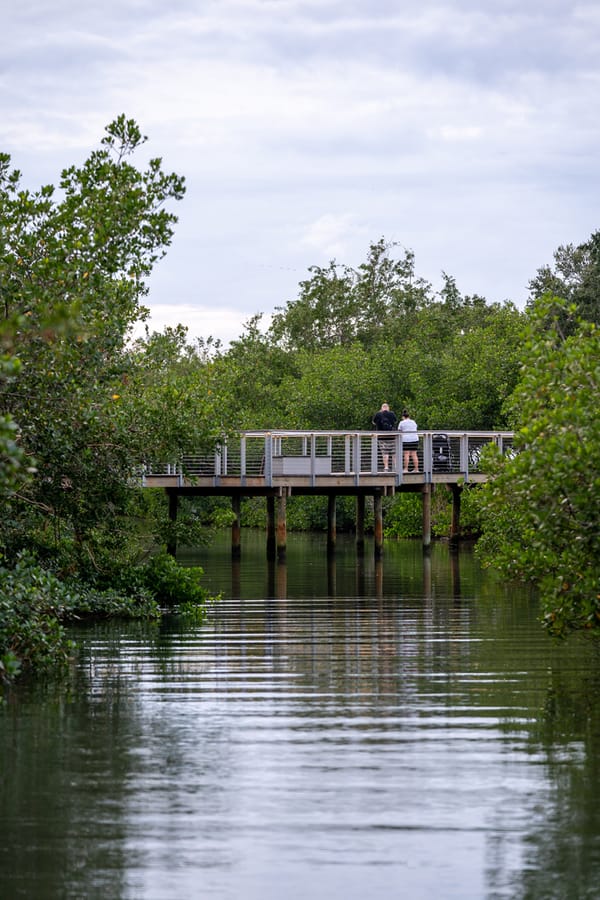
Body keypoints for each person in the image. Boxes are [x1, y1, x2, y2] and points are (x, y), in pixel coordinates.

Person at [372, 402, 397, 471]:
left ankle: (386, 467)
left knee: (385, 452)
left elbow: (373, 422)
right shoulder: (392, 414)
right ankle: (395, 466)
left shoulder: (378, 414)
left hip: (381, 436)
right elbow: (395, 421)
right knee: (394, 452)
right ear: (388, 408)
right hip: (392, 436)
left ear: (381, 408)